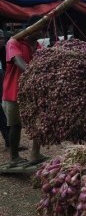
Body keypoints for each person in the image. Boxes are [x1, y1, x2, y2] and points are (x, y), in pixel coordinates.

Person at [2, 19, 46, 166]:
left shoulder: (38, 46)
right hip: (13, 91)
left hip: (31, 91)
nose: (42, 32)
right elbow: (17, 61)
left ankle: (35, 154)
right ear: (33, 28)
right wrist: (33, 73)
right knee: (15, 125)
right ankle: (14, 157)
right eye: (40, 28)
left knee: (38, 123)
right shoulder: (13, 42)